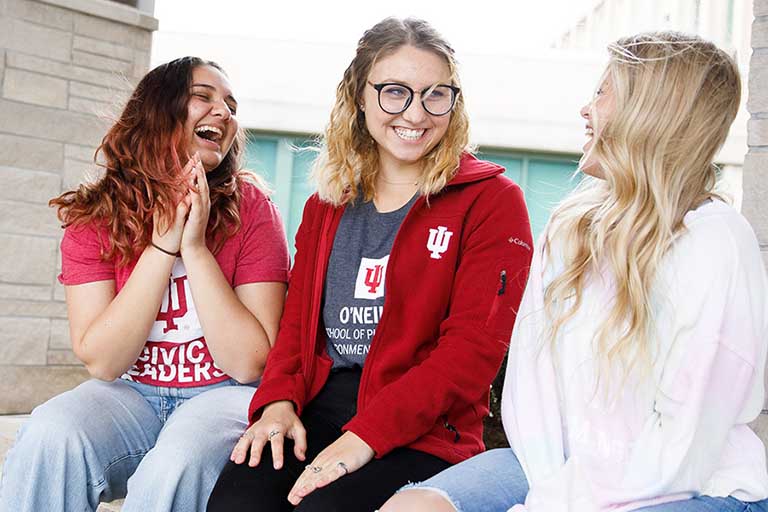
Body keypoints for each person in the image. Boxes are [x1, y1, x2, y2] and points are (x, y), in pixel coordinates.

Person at [380, 31, 768, 512]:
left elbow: (685, 445)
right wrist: (551, 492)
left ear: (649, 114)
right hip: (561, 468)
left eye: (603, 93)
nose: (586, 110)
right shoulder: (571, 227)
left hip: (694, 485)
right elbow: (532, 394)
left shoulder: (715, 243)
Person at [206, 17, 533, 512]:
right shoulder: (328, 204)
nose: (416, 113)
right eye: (395, 92)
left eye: (435, 95)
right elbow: (297, 329)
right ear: (360, 97)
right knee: (238, 503)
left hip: (423, 429)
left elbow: (471, 354)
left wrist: (364, 438)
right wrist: (276, 403)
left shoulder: (491, 201)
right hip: (319, 406)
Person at [0, 56, 290, 512]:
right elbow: (104, 361)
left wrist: (193, 249)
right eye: (203, 97)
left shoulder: (251, 208)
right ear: (159, 110)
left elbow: (251, 362)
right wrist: (161, 248)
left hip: (224, 394)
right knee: (50, 435)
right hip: (130, 393)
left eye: (231, 105)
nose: (224, 112)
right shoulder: (97, 215)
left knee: (176, 462)